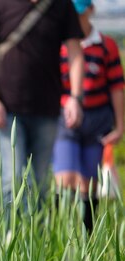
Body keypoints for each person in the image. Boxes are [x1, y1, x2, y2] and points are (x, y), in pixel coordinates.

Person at [0, 0, 85, 208]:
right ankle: (10, 238)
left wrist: (76, 97)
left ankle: (38, 239)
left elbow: (75, 53)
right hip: (6, 108)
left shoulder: (62, 5)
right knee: (12, 179)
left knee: (40, 183)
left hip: (48, 110)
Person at [52, 0, 124, 234]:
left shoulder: (106, 46)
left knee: (88, 183)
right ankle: (55, 233)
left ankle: (87, 238)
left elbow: (116, 88)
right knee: (64, 177)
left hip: (97, 120)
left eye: (79, 14)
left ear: (90, 11)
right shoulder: (59, 46)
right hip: (67, 118)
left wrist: (120, 126)